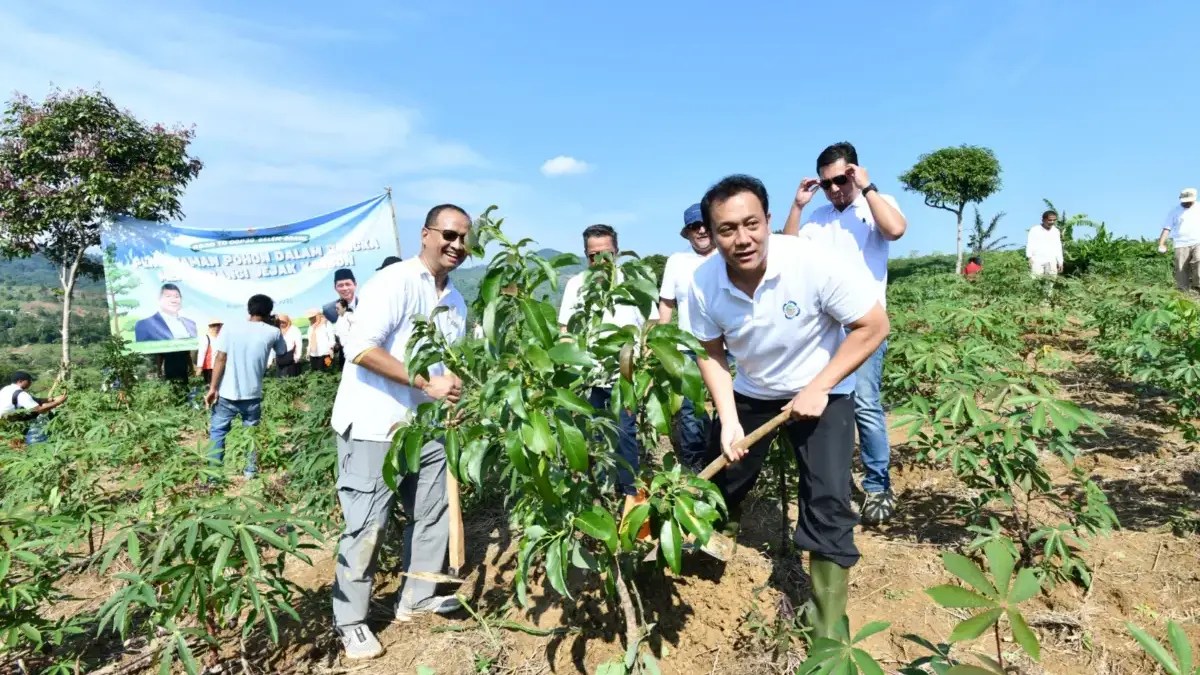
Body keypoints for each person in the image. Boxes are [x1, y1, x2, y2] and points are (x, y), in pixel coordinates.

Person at [684, 175, 888, 640]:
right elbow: (710, 350)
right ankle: (707, 555)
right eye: (727, 230)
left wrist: (819, 386)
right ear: (711, 235)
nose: (742, 239)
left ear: (769, 221)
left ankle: (828, 630)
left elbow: (873, 325)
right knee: (728, 475)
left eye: (751, 224)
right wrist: (730, 420)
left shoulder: (811, 262)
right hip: (754, 390)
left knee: (827, 498)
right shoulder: (703, 282)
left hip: (825, 388)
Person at [329, 204, 471, 660]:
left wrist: (450, 392)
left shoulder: (457, 301)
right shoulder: (395, 282)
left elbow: (447, 365)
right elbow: (362, 347)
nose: (456, 245)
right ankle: (350, 620)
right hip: (374, 424)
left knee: (431, 512)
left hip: (426, 425)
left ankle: (419, 595)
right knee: (366, 523)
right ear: (426, 234)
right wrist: (427, 382)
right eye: (449, 234)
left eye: (465, 238)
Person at [783, 142, 908, 526]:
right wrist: (799, 206)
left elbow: (896, 230)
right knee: (826, 404)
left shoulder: (876, 204)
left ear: (854, 172)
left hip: (864, 327)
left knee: (866, 404)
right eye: (827, 183)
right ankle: (830, 482)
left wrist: (867, 188)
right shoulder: (818, 218)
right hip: (823, 331)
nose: (835, 188)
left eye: (841, 179)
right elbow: (788, 251)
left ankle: (876, 485)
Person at [559, 224, 658, 497]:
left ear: (617, 252)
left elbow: (649, 328)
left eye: (606, 254)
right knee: (593, 437)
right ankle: (601, 493)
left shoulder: (634, 284)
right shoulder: (576, 285)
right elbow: (566, 332)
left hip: (623, 377)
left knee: (625, 435)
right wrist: (570, 375)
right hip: (589, 378)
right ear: (585, 256)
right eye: (593, 256)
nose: (600, 262)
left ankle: (629, 493)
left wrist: (645, 373)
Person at [657, 203, 716, 471]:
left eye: (705, 224)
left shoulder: (727, 256)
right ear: (688, 233)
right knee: (692, 410)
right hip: (690, 345)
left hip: (730, 346)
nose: (701, 230)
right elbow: (666, 304)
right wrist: (661, 342)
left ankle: (722, 457)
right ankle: (695, 465)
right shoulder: (677, 262)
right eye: (695, 227)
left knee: (730, 405)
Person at [204, 294, 288, 479]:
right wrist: (275, 327)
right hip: (252, 394)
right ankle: (250, 471)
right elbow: (282, 351)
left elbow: (221, 357)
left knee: (218, 432)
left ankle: (213, 475)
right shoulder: (272, 332)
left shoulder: (230, 328)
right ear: (268, 312)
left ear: (249, 309)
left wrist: (213, 388)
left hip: (227, 392)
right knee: (251, 433)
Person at [1157, 188, 1200, 292]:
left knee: (1198, 260)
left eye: (1190, 201)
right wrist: (1161, 244)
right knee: (1181, 269)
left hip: (1198, 240)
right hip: (1181, 243)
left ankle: (1197, 286)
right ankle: (1183, 292)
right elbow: (1167, 228)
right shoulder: (1174, 211)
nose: (1188, 203)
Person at [324, 269, 358, 371]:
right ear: (335, 288)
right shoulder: (329, 310)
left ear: (355, 284)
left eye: (348, 284)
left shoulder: (365, 303)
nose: (345, 288)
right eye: (340, 285)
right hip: (346, 357)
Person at [1, 371, 66, 418]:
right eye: (29, 381)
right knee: (39, 415)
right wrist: (58, 402)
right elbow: (39, 410)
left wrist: (52, 399)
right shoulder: (22, 395)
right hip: (9, 423)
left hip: (3, 420)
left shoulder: (6, 389)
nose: (30, 383)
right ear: (20, 381)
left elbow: (33, 399)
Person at [1026, 210, 1064, 277]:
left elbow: (1058, 247)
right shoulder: (1034, 230)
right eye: (1050, 220)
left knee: (1050, 283)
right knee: (1036, 282)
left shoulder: (1056, 231)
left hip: (1051, 260)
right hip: (1037, 260)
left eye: (1054, 220)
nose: (1052, 222)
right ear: (1043, 220)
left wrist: (1060, 262)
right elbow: (1030, 244)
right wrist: (1029, 258)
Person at [195, 319, 223, 385]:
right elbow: (201, 353)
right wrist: (199, 367)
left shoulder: (221, 338)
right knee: (210, 385)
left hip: (220, 366)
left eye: (218, 325)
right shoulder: (206, 338)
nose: (216, 327)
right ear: (210, 327)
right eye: (214, 325)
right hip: (209, 367)